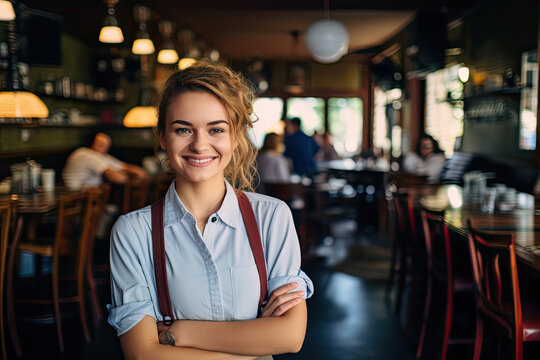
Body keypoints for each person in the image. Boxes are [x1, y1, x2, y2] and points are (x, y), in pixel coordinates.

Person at [108, 61, 313, 359]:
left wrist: (179, 332)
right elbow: (142, 354)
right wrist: (255, 347)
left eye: (216, 129)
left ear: (235, 136)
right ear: (163, 137)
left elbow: (291, 336)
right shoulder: (132, 232)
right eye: (183, 130)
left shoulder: (272, 217)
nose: (200, 144)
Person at [62, 132, 147, 191]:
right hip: (74, 199)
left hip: (89, 198)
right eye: (100, 145)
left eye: (106, 146)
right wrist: (134, 179)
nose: (104, 149)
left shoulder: (102, 155)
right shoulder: (85, 154)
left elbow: (139, 172)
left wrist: (132, 176)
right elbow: (115, 177)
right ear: (91, 143)